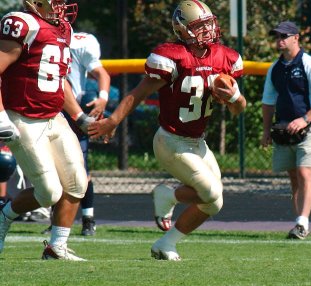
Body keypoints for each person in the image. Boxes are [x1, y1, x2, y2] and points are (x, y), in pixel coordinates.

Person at [89, 0, 246, 261]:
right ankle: (167, 194)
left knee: (214, 203)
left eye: (209, 25)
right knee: (211, 193)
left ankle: (166, 243)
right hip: (171, 141)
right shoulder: (172, 56)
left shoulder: (224, 57)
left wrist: (235, 97)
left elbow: (238, 110)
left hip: (198, 142)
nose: (209, 31)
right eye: (201, 26)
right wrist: (113, 121)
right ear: (183, 30)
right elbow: (138, 93)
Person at [0, 0, 93, 260]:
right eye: (56, 2)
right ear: (35, 3)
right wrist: (0, 115)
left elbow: (56, 78)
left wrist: (80, 116)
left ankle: (56, 247)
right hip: (24, 117)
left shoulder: (63, 28)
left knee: (77, 183)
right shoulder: (23, 23)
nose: (62, 8)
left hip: (54, 116)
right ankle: (3, 216)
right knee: (49, 191)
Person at [260, 21, 311, 239]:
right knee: (294, 178)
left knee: (304, 173)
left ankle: (302, 222)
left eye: (284, 36)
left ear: (296, 38)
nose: (280, 40)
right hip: (285, 129)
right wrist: (266, 132)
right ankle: (301, 224)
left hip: (309, 127)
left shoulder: (308, 63)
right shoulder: (275, 69)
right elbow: (268, 102)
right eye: (277, 36)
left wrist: (305, 119)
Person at [41, 31, 111, 236]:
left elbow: (102, 74)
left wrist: (103, 98)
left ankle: (88, 218)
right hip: (46, 110)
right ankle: (57, 221)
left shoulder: (81, 42)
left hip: (73, 111)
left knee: (81, 166)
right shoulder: (38, 36)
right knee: (54, 169)